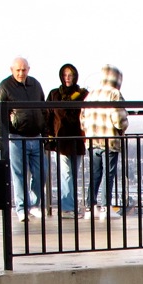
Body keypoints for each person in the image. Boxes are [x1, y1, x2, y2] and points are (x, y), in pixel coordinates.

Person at [0, 57, 46, 223]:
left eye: (24, 70)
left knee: (41, 173)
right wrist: (1, 135)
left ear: (28, 69)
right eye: (18, 70)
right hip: (16, 137)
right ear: (12, 70)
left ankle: (34, 205)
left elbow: (43, 108)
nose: (21, 73)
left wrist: (45, 132)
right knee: (19, 174)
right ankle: (22, 209)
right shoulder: (5, 86)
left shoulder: (35, 85)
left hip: (36, 136)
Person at [79, 67, 128, 211]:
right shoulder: (114, 94)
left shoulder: (92, 94)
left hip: (92, 140)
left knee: (95, 174)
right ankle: (106, 207)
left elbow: (82, 119)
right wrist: (122, 129)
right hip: (109, 140)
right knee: (108, 174)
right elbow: (119, 119)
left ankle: (91, 206)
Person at [46, 64, 87, 215]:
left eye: (70, 75)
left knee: (73, 175)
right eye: (64, 75)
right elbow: (48, 116)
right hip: (60, 140)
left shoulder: (83, 94)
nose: (67, 78)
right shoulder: (54, 94)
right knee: (66, 174)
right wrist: (49, 137)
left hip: (77, 140)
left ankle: (70, 206)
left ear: (75, 76)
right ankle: (67, 208)